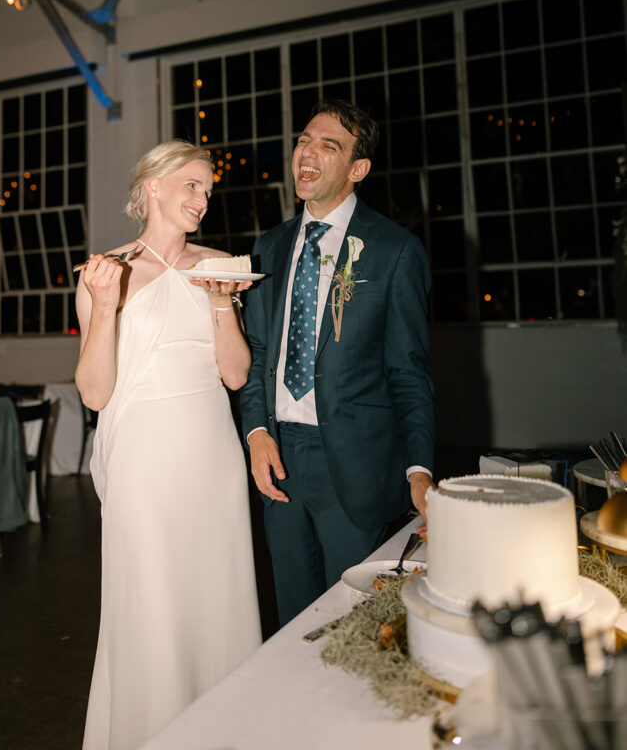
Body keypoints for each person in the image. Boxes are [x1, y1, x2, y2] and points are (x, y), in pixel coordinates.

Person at [76, 140, 261, 750]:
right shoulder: (107, 272)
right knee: (151, 598)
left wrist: (219, 304)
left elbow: (235, 376)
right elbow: (96, 394)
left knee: (217, 591)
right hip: (143, 458)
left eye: (207, 189)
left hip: (211, 449)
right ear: (152, 186)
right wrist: (104, 308)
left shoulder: (221, 265)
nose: (202, 200)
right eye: (190, 185)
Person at [241, 98, 435, 626]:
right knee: (292, 621)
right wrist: (257, 432)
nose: (309, 152)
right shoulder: (269, 247)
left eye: (329, 146)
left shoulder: (395, 250)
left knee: (357, 624)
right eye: (304, 140)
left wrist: (419, 469)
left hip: (355, 466)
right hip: (279, 459)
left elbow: (409, 371)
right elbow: (260, 355)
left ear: (357, 169)